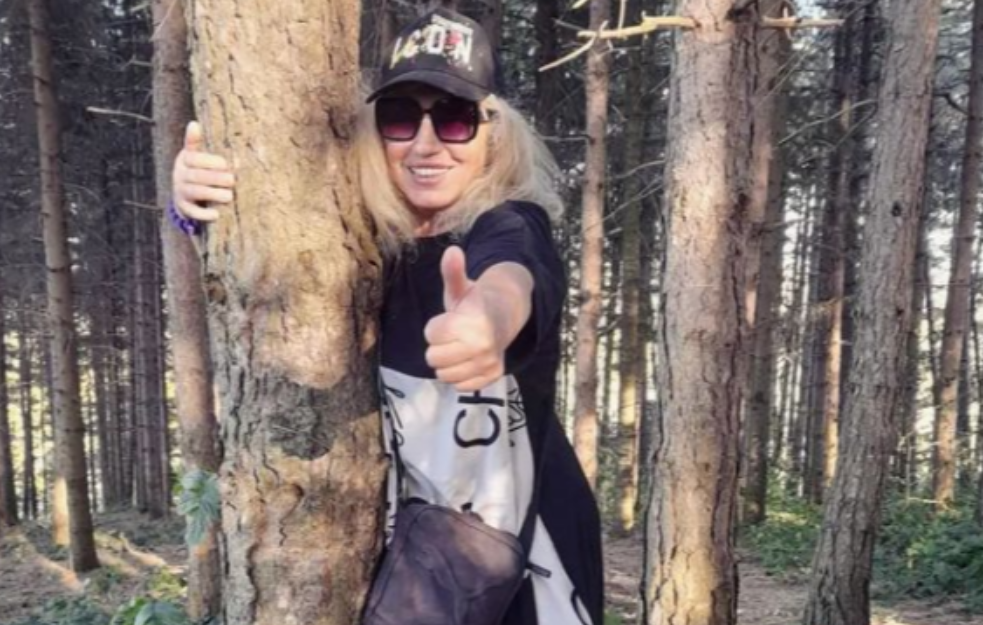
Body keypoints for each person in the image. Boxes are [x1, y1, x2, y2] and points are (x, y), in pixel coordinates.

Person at [170, 8, 602, 625]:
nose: (425, 144)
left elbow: (513, 271)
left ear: (494, 134)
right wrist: (192, 205)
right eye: (400, 118)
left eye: (454, 119)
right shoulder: (360, 242)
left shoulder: (507, 222)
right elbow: (250, 262)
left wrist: (488, 320)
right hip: (415, 558)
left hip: (522, 556)